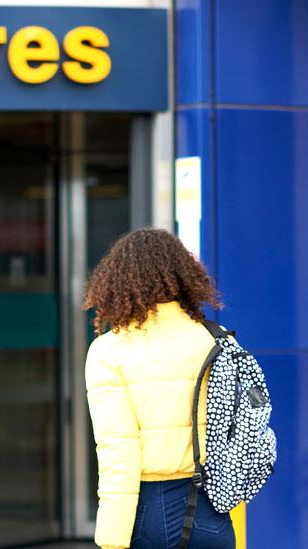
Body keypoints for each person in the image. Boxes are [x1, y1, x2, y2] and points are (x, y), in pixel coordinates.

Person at [83, 228, 234, 549]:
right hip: (214, 507)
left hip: (149, 510)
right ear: (182, 276)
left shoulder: (109, 351)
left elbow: (118, 451)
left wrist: (111, 540)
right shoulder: (218, 339)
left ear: (117, 281)